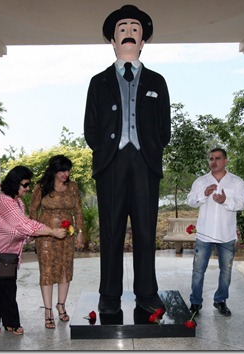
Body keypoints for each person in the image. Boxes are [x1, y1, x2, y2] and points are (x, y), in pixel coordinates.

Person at [83, 4, 171, 314]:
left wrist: (149, 149)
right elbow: (90, 128)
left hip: (145, 164)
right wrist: (107, 151)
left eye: (135, 29)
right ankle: (109, 295)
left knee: (146, 231)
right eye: (123, 30)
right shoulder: (98, 81)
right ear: (113, 40)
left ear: (143, 39)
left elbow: (165, 128)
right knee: (111, 231)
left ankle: (147, 293)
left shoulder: (157, 82)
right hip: (112, 164)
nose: (129, 34)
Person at [0, 166, 67, 335]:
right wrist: (51, 231)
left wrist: (29, 236)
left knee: (8, 290)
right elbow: (24, 225)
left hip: (8, 256)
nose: (28, 188)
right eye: (25, 184)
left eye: (29, 184)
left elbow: (19, 229)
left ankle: (11, 323)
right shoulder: (4, 201)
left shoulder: (17, 202)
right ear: (15, 184)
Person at [187, 148, 244, 317]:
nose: (214, 162)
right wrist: (203, 194)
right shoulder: (201, 181)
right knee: (198, 270)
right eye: (211, 159)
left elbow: (243, 203)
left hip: (226, 234)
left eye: (218, 158)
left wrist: (225, 200)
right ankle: (195, 302)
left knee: (226, 271)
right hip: (204, 234)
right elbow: (190, 201)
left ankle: (220, 300)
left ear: (226, 160)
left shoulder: (236, 182)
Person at [29, 155, 84, 324]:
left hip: (67, 235)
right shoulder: (41, 187)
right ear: (54, 170)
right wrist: (34, 230)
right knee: (47, 271)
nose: (66, 174)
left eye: (68, 170)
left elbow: (79, 211)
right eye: (62, 170)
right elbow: (33, 209)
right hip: (46, 235)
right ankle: (48, 311)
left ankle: (61, 305)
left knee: (65, 269)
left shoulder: (73, 187)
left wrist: (80, 231)